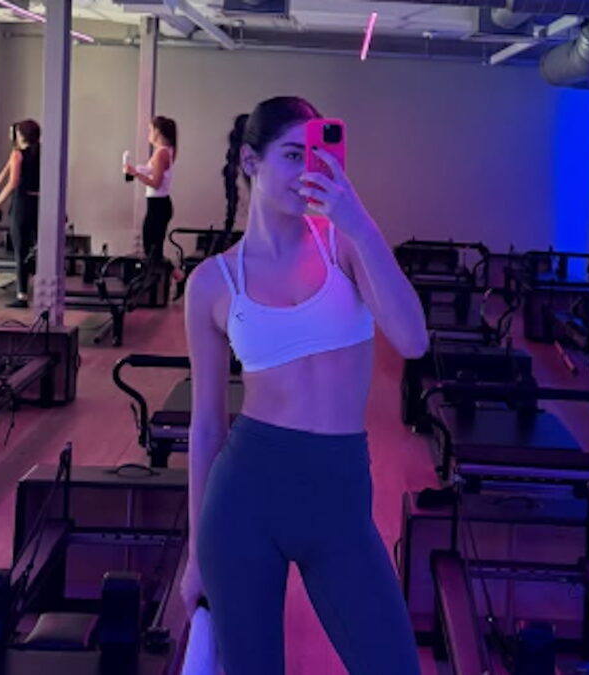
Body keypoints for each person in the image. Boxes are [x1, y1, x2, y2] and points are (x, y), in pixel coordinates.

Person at [181, 97, 428, 674]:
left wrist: (359, 221)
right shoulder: (212, 283)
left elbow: (414, 340)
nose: (307, 172)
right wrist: (195, 553)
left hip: (338, 498)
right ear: (251, 161)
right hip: (243, 498)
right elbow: (207, 424)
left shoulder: (343, 245)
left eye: (315, 156)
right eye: (293, 155)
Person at [124, 116, 185, 283]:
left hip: (158, 206)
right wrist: (136, 170)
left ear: (158, 132)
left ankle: (175, 278)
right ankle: (174, 277)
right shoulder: (165, 151)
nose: (149, 134)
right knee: (153, 250)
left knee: (152, 250)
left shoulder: (161, 153)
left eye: (150, 130)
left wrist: (136, 174)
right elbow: (154, 173)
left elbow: (156, 183)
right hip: (159, 205)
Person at [0, 119, 40, 308]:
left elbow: (13, 182)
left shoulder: (18, 155)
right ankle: (34, 280)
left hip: (22, 203)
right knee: (37, 245)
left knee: (20, 250)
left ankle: (22, 295)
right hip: (40, 202)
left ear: (21, 135)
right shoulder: (41, 153)